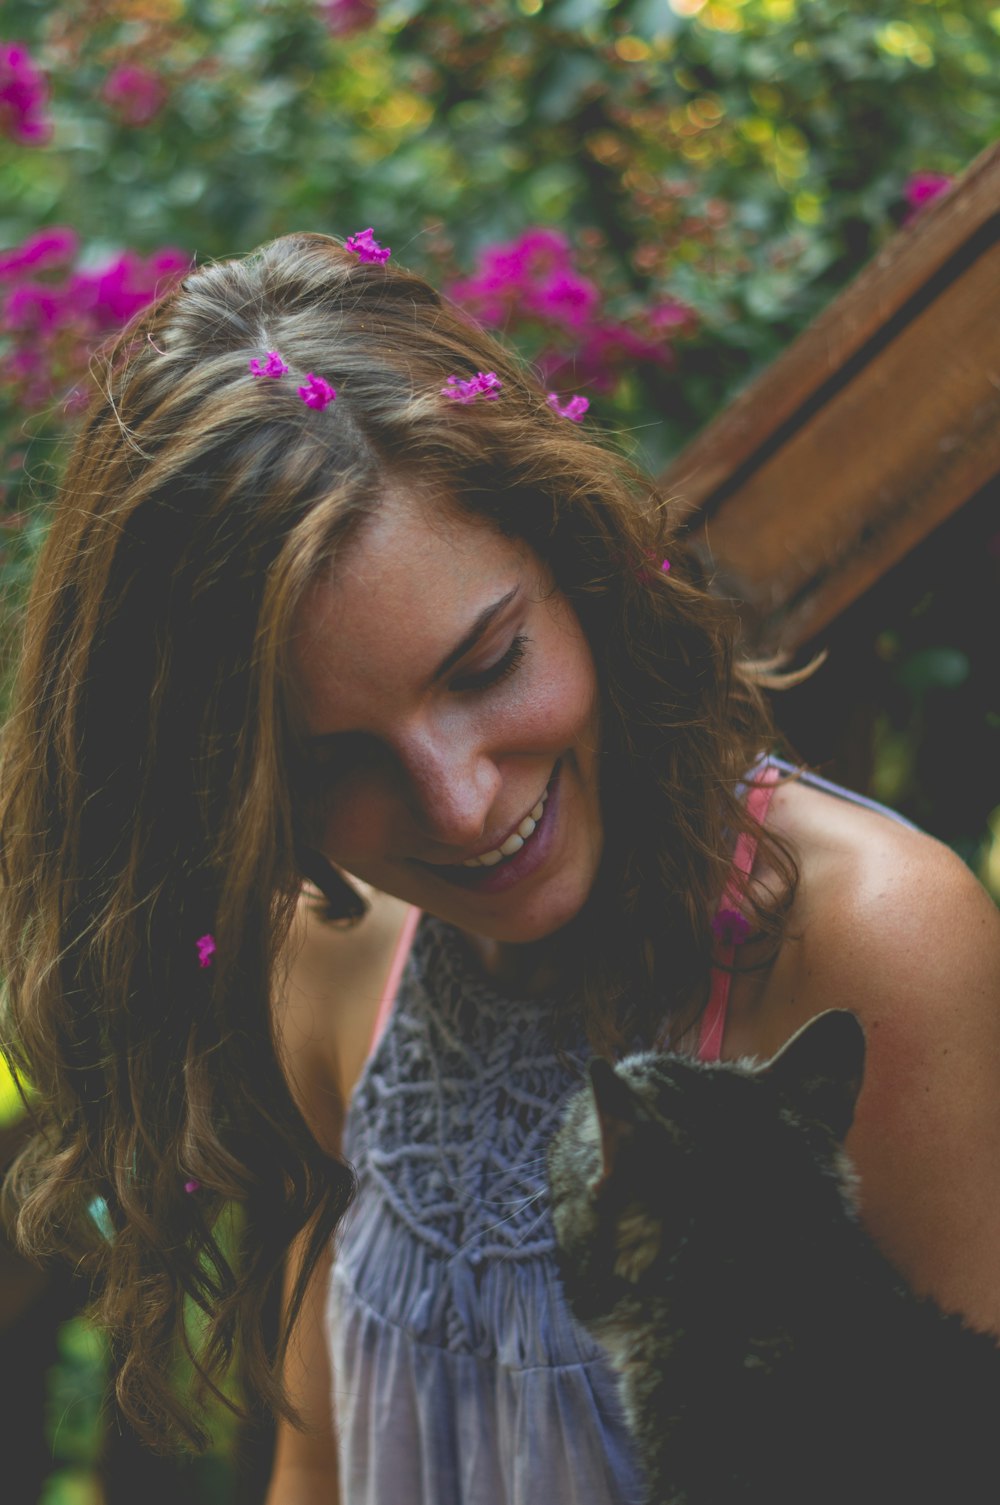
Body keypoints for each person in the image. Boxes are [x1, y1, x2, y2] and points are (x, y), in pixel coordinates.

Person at [1, 231, 998, 1502]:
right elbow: (325, 1459)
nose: (461, 805)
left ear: (574, 564)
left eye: (483, 667)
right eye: (333, 761)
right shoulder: (336, 945)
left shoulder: (867, 947)